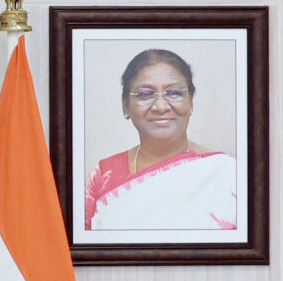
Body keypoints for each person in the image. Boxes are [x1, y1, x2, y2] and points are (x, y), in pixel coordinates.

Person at [81, 48, 238, 232]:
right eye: (144, 94)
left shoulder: (229, 175)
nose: (161, 106)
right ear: (126, 106)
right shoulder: (103, 176)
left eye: (174, 93)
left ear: (190, 102)